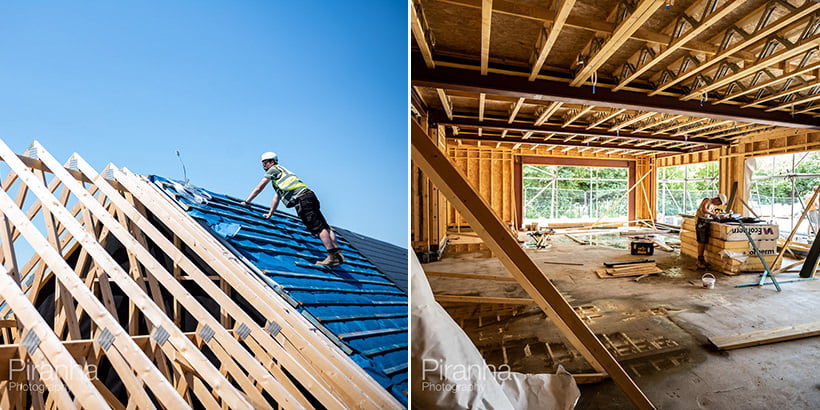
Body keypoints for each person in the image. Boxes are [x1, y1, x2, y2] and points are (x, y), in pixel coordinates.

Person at [243, 152, 344, 267]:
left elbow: (259, 187)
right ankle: (338, 255)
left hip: (302, 200)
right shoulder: (282, 173)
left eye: (265, 163)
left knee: (319, 228)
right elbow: (277, 198)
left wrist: (247, 202)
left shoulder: (273, 170)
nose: (263, 167)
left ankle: (331, 256)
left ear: (271, 162)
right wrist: (270, 213)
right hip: (309, 196)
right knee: (325, 226)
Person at [695, 193, 727, 269]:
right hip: (701, 222)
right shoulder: (707, 200)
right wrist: (713, 214)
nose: (718, 205)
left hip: (705, 222)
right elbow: (704, 209)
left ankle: (702, 260)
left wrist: (719, 216)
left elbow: (711, 213)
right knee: (701, 242)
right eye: (719, 203)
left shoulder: (712, 205)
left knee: (704, 241)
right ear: (717, 199)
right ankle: (700, 260)